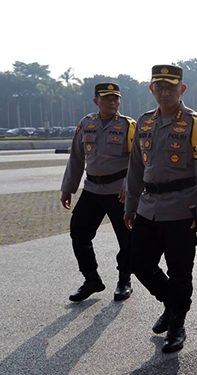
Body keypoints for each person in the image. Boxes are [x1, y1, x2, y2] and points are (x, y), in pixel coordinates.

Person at [123, 65, 197, 353]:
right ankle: (171, 303)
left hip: (181, 209)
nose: (164, 92)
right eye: (159, 87)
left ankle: (177, 324)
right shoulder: (144, 122)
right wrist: (131, 204)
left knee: (180, 271)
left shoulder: (196, 123)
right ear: (152, 89)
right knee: (138, 262)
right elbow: (136, 167)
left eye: (171, 87)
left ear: (182, 90)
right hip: (148, 208)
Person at [60, 83, 135, 302]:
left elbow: (138, 161)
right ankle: (91, 279)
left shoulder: (128, 126)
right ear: (96, 101)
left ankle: (124, 280)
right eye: (107, 98)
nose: (112, 102)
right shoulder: (86, 124)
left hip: (118, 190)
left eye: (116, 98)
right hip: (92, 189)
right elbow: (76, 157)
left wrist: (129, 185)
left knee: (127, 238)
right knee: (79, 232)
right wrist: (68, 188)